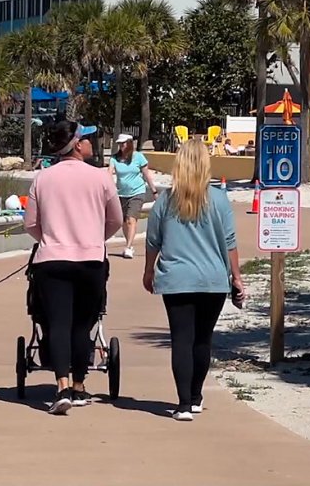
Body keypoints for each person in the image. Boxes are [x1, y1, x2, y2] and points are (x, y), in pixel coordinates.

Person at [142, 138, 245, 421]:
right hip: (213, 279)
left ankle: (183, 404)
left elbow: (153, 241)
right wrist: (237, 278)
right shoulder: (220, 200)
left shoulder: (165, 200)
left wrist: (149, 270)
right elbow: (230, 243)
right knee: (202, 340)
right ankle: (197, 396)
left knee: (181, 340)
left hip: (176, 279)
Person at [24, 121, 123, 415]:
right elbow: (115, 219)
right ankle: (80, 385)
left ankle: (62, 385)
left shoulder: (42, 179)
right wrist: (93, 238)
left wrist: (53, 239)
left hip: (52, 261)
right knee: (83, 324)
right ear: (77, 145)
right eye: (88, 139)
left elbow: (31, 223)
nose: (92, 143)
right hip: (90, 260)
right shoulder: (101, 177)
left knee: (57, 324)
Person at [107, 133, 158, 259]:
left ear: (129, 143)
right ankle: (128, 243)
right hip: (121, 193)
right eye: (119, 144)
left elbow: (146, 174)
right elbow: (109, 174)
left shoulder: (139, 157)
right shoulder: (114, 158)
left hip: (137, 192)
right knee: (123, 221)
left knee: (131, 219)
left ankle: (128, 247)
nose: (121, 146)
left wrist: (154, 191)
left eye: (123, 144)